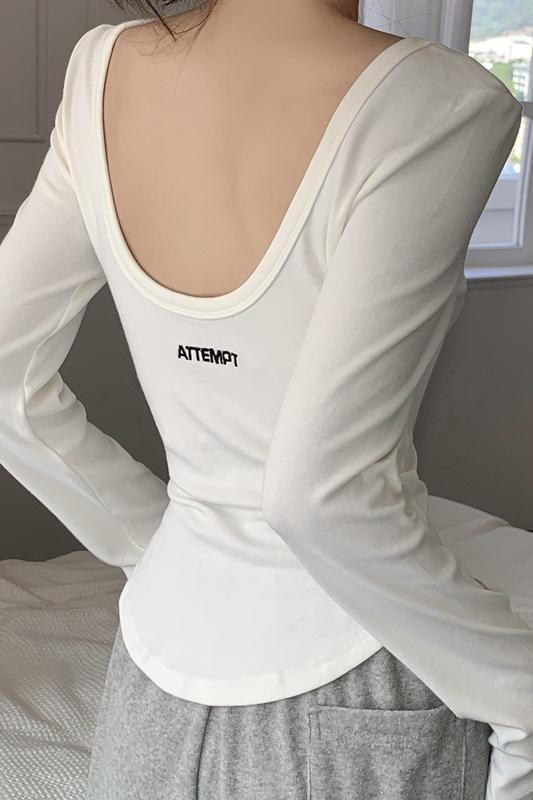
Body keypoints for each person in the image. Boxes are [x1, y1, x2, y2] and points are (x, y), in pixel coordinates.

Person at [0, 1, 531, 798]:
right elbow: (318, 498)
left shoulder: (101, 69)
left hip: (152, 677)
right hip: (352, 689)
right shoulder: (438, 98)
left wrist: (168, 545)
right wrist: (519, 689)